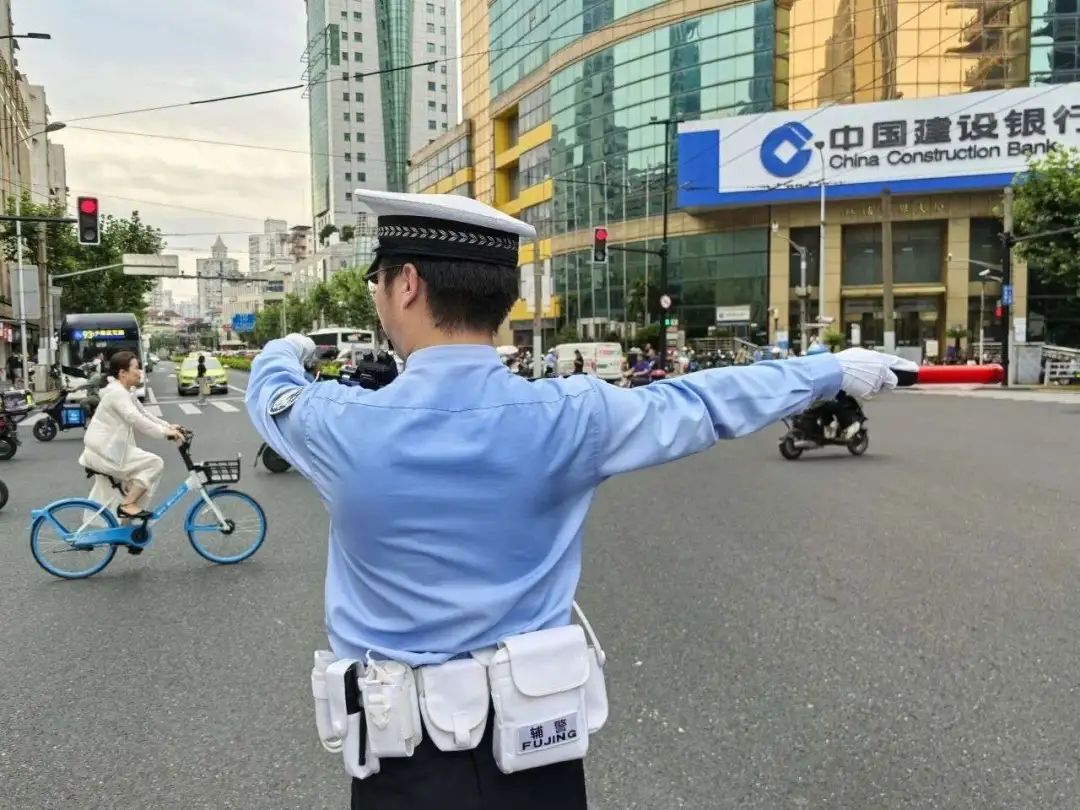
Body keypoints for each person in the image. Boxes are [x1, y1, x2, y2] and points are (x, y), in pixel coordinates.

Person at [245, 190, 915, 810]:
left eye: (378, 281)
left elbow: (267, 392)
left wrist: (290, 344)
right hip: (537, 755)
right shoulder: (573, 414)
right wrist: (827, 370)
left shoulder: (339, 424)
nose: (378, 296)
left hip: (402, 768)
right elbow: (703, 404)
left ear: (409, 284)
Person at [79, 351, 184, 525]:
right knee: (154, 463)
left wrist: (168, 426)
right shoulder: (117, 394)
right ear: (122, 373)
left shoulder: (125, 391)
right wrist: (164, 433)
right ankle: (127, 505)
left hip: (111, 449)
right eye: (136, 368)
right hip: (104, 451)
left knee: (131, 485)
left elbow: (143, 413)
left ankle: (128, 526)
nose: (140, 372)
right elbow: (135, 419)